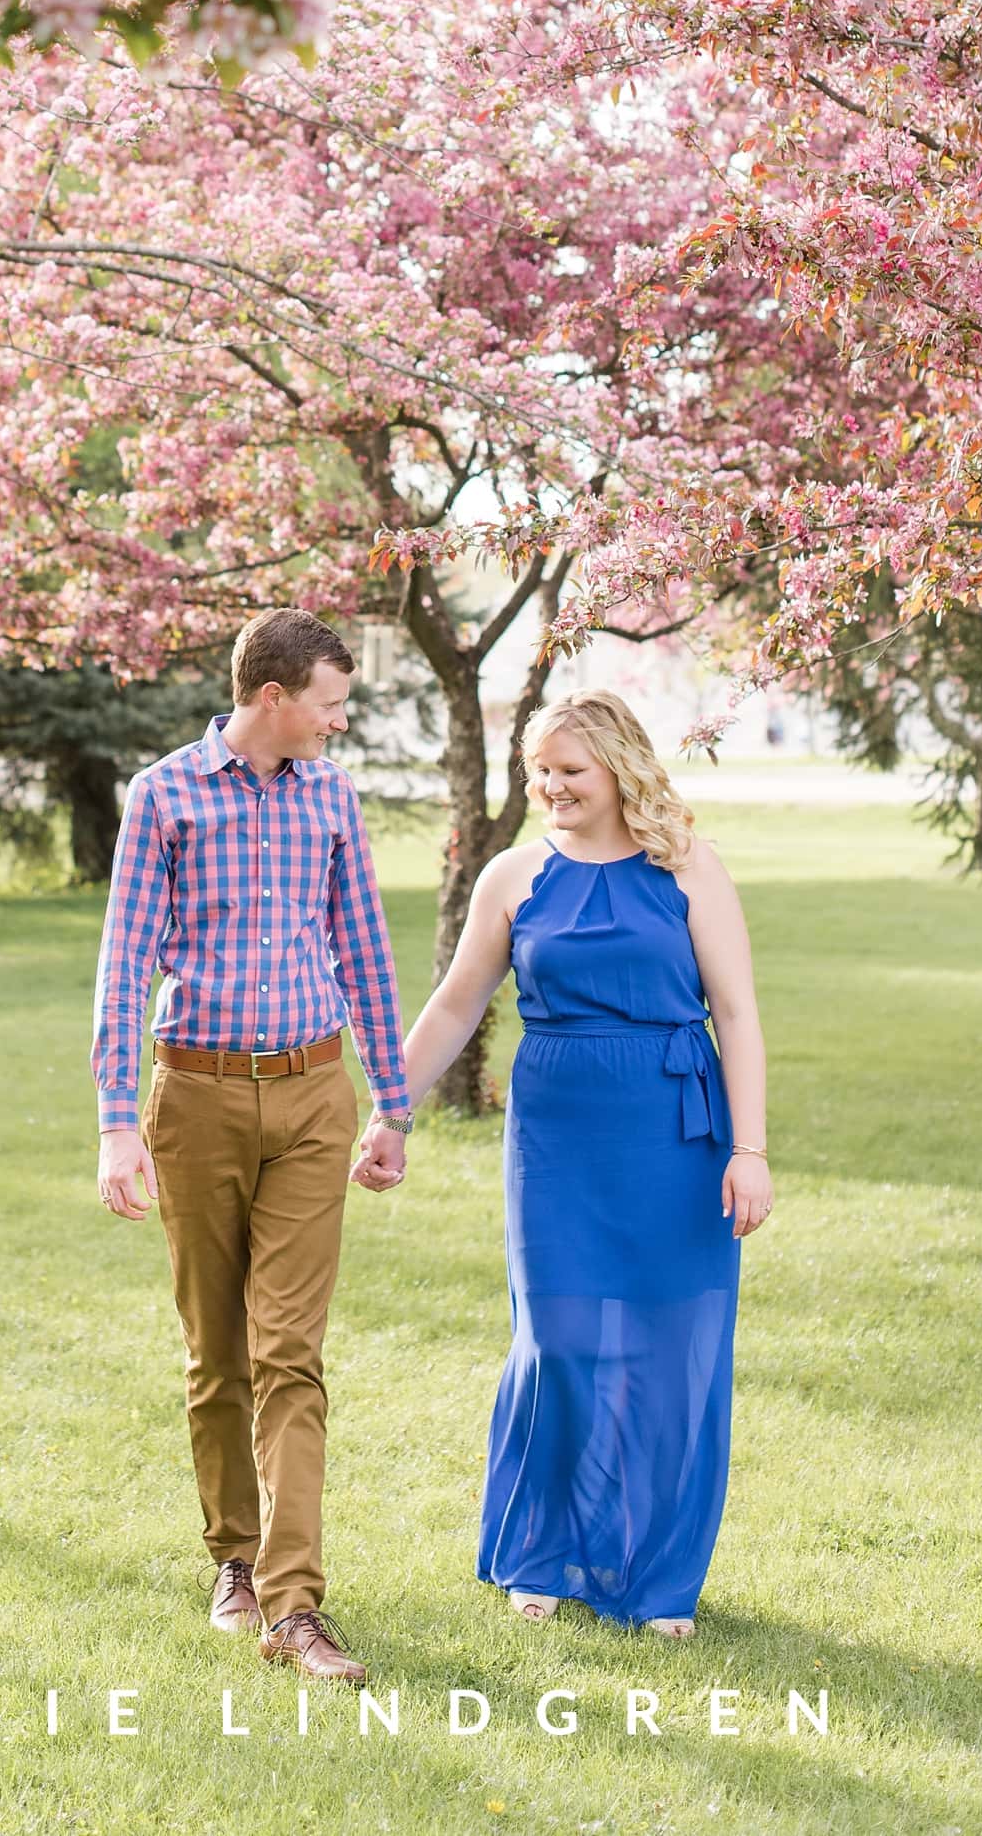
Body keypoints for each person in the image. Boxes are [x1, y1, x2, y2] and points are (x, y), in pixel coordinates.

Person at [400, 689, 773, 1635]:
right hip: (556, 1137)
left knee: (670, 1349)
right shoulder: (514, 877)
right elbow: (454, 1006)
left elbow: (736, 1014)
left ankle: (656, 1581)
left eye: (572, 769)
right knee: (556, 1341)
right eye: (541, 771)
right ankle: (544, 1552)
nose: (553, 786)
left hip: (673, 1130)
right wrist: (389, 1109)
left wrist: (750, 1148)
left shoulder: (689, 869)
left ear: (618, 769)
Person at [93, 607, 413, 1687]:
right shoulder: (165, 796)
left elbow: (363, 945)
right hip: (196, 1099)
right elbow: (122, 964)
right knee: (214, 1354)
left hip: (316, 1094)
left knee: (291, 1354)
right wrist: (111, 1123)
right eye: (329, 702)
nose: (339, 721)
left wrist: (393, 1103)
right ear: (270, 697)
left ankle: (293, 1605)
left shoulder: (330, 794)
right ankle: (230, 1558)